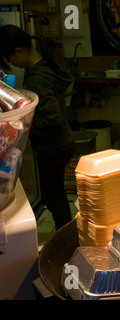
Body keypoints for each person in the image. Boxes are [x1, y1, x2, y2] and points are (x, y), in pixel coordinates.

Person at [0, 24, 75, 229]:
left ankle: (66, 244)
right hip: (60, 144)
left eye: (10, 59)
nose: (12, 64)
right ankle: (67, 238)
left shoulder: (37, 78)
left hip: (53, 147)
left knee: (56, 200)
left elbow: (54, 120)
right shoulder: (43, 67)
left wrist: (22, 126)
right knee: (55, 197)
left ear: (19, 51)